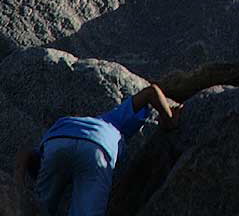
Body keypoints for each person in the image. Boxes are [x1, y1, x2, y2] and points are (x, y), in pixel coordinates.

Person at [15, 84, 183, 216]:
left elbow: (26, 153)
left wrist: (18, 186)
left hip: (57, 143)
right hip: (97, 145)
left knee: (39, 208)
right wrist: (169, 121)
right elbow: (152, 91)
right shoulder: (112, 120)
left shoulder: (68, 123)